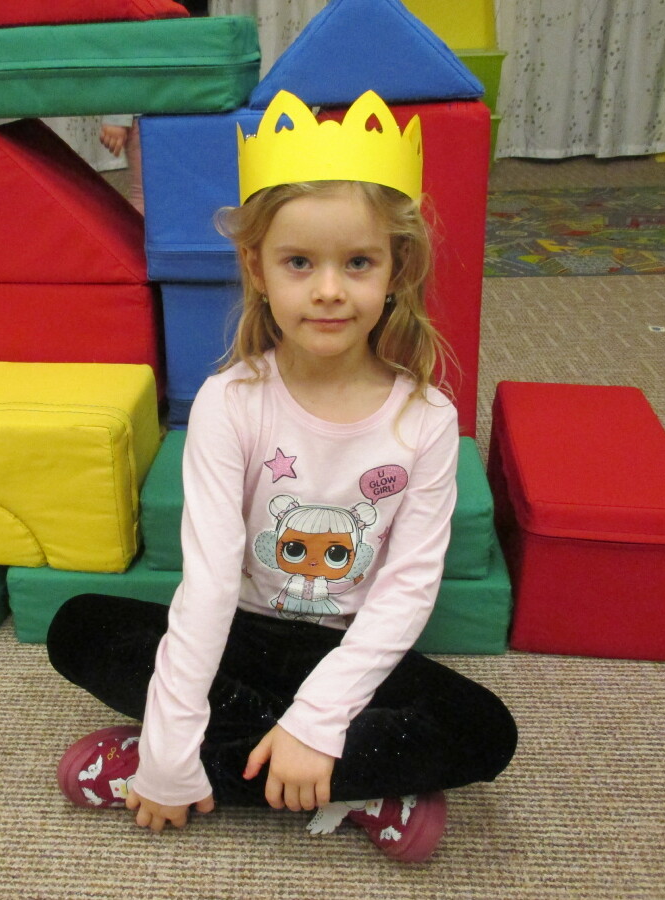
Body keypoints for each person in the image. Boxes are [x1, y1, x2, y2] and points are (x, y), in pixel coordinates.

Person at [48, 89, 516, 864]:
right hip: (243, 633)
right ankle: (350, 783)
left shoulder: (427, 418)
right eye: (300, 262)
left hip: (351, 652)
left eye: (357, 262)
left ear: (396, 268)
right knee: (80, 626)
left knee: (485, 730)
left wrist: (319, 716)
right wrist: (173, 733)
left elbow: (407, 588)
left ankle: (195, 768)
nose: (329, 289)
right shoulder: (231, 402)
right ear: (257, 269)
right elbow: (206, 583)